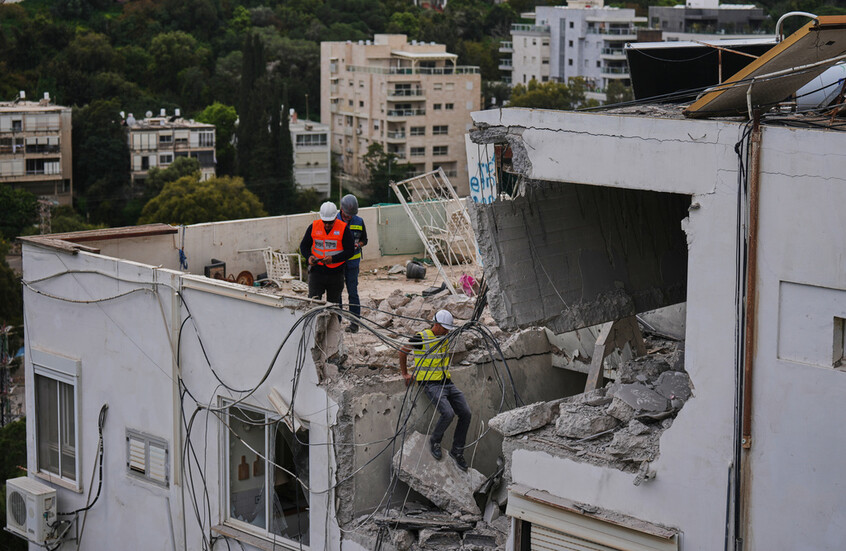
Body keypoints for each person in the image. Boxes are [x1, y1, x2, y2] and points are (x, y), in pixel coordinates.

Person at [399, 310, 472, 471]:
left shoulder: (445, 336)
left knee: (465, 413)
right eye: (444, 328)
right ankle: (435, 440)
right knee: (448, 413)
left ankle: (457, 451)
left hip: (447, 382)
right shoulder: (421, 337)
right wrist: (405, 373)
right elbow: (403, 351)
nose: (446, 331)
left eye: (448, 329)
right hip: (431, 384)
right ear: (436, 324)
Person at [299, 202, 355, 305]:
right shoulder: (314, 226)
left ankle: (333, 321)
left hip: (336, 274)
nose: (327, 225)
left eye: (330, 222)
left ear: (335, 218)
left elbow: (350, 251)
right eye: (325, 222)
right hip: (317, 272)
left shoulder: (343, 229)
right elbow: (304, 246)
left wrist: (333, 259)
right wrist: (309, 257)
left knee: (333, 306)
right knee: (313, 303)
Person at [338, 194, 368, 333]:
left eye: (351, 215)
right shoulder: (333, 221)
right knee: (336, 291)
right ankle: (336, 321)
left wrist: (358, 244)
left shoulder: (359, 221)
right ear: (341, 209)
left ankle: (354, 323)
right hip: (337, 262)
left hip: (353, 263)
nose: (349, 217)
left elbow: (364, 240)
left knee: (353, 292)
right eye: (347, 214)